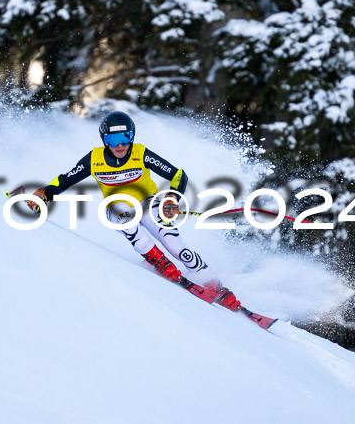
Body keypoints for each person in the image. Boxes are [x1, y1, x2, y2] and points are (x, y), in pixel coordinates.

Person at [26, 111, 241, 311]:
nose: (120, 145)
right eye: (112, 140)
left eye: (125, 138)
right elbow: (66, 179)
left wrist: (172, 197)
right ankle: (156, 259)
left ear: (132, 137)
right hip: (117, 209)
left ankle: (214, 283)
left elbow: (178, 175)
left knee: (176, 247)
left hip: (148, 204)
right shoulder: (94, 159)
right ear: (104, 140)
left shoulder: (141, 153)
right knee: (123, 215)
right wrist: (45, 193)